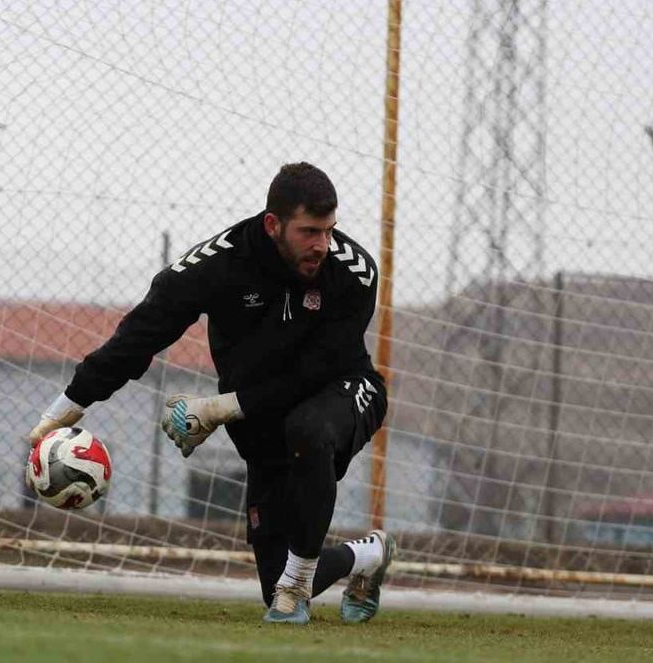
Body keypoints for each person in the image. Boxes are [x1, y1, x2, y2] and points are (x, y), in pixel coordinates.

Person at [26, 162, 393, 625]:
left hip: (345, 389)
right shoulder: (219, 264)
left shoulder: (353, 272)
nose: (322, 244)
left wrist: (219, 408)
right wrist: (61, 412)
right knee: (271, 580)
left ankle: (296, 587)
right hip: (263, 422)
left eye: (328, 230)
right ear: (272, 225)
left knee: (310, 430)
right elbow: (140, 336)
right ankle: (368, 556)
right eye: (309, 232)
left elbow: (313, 372)